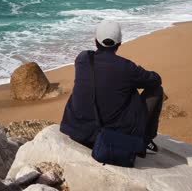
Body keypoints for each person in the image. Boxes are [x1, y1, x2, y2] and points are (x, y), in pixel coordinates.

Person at [60, 20, 164, 157]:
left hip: (76, 130)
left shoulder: (82, 59)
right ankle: (144, 139)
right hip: (107, 138)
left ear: (96, 41)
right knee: (156, 91)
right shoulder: (126, 67)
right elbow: (155, 80)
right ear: (119, 43)